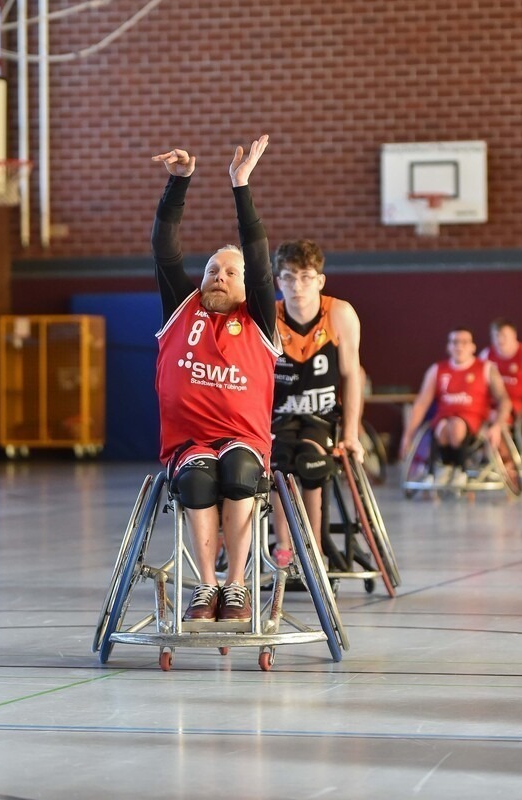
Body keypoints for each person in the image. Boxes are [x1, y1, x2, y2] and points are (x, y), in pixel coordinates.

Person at [151, 135, 280, 624]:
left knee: (239, 474)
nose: (219, 276)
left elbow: (259, 256)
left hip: (244, 440)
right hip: (188, 442)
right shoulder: (182, 307)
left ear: (247, 285)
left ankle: (237, 584)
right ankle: (207, 585)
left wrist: (240, 186)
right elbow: (165, 247)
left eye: (230, 271)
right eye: (212, 269)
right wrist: (178, 182)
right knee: (199, 481)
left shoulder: (259, 317)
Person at [270, 239, 364, 566]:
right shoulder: (269, 317)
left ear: (320, 280)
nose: (297, 286)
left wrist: (351, 433)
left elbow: (353, 375)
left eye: (306, 277)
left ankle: (312, 549)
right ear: (277, 281)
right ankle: (283, 547)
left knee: (312, 462)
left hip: (321, 417)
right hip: (277, 417)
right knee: (278, 463)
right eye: (289, 277)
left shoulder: (339, 314)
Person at [399, 327, 511, 488]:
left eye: (464, 343)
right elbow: (421, 404)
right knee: (443, 427)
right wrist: (407, 436)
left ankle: (460, 469)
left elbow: (504, 400)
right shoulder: (437, 370)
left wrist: (498, 426)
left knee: (456, 426)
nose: (459, 347)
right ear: (448, 346)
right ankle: (445, 466)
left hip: (473, 423)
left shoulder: (486, 369)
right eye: (455, 342)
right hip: (444, 421)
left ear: (472, 347)